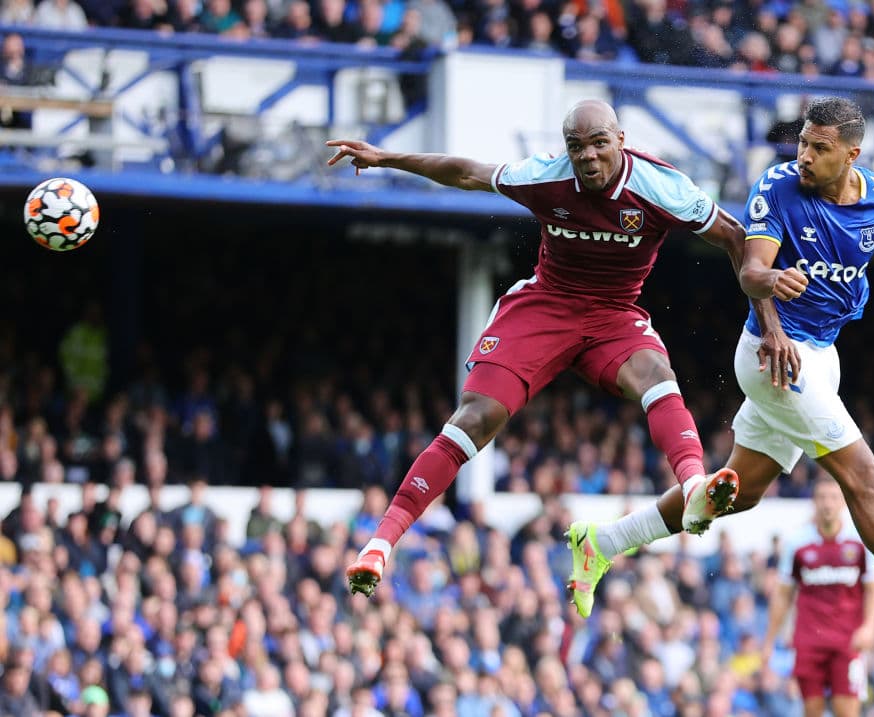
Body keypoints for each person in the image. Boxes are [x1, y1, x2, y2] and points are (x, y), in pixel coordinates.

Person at [566, 96, 874, 649]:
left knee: (741, 493)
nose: (804, 155)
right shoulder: (777, 188)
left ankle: (602, 543)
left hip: (822, 353)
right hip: (773, 359)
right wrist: (769, 285)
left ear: (851, 155)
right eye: (802, 141)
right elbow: (751, 268)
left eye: (819, 148)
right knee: (862, 475)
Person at [325, 99, 806, 597]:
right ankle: (380, 543)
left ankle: (693, 487)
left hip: (613, 315)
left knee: (657, 378)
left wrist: (769, 323)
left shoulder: (662, 187)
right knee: (475, 418)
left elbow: (735, 239)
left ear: (620, 141)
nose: (589, 157)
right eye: (577, 148)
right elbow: (466, 171)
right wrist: (388, 158)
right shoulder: (547, 176)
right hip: (545, 308)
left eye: (600, 143)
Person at [761, 476, 874, 717]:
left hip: (848, 641)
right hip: (809, 641)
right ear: (814, 502)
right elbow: (783, 594)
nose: (827, 504)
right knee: (811, 711)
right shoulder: (797, 543)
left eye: (833, 498)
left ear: (843, 503)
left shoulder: (860, 541)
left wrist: (870, 627)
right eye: (822, 498)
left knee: (847, 711)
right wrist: (769, 641)